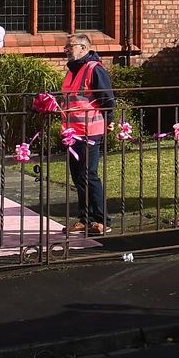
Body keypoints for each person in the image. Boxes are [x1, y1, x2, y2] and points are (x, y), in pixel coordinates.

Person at [62, 34, 114, 236]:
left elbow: (107, 99)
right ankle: (85, 219)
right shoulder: (72, 71)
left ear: (83, 48)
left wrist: (109, 121)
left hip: (89, 132)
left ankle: (102, 220)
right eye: (66, 46)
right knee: (78, 176)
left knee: (89, 175)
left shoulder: (94, 69)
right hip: (72, 133)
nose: (66, 49)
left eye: (70, 46)